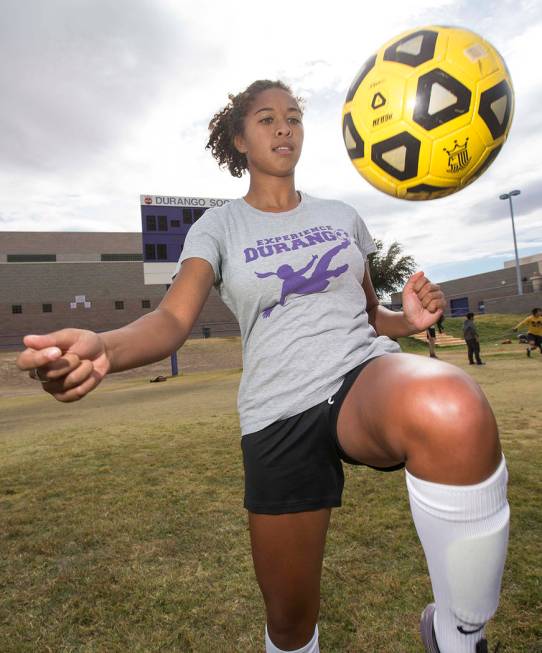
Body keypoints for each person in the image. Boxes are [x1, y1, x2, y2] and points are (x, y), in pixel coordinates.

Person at [17, 80, 508, 653]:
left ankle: (458, 633)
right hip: (278, 412)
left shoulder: (342, 216)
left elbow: (371, 314)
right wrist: (104, 346)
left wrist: (410, 318)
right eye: (267, 118)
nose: (284, 127)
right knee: (290, 623)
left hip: (360, 375)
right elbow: (172, 320)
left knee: (452, 404)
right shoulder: (219, 227)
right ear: (240, 140)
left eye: (294, 117)